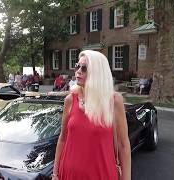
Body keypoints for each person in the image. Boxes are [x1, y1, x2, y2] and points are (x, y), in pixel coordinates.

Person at [52, 50, 131, 180]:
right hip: (69, 174)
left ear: (98, 72)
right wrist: (55, 174)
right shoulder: (70, 100)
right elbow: (63, 139)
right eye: (77, 66)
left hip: (102, 175)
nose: (78, 71)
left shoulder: (114, 101)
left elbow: (123, 145)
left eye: (84, 68)